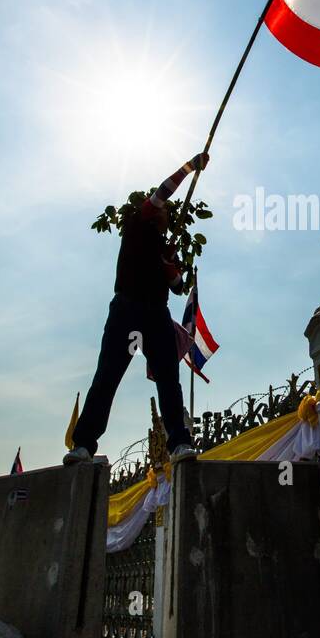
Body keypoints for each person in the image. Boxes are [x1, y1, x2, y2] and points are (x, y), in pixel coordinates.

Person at [65, 152, 209, 468]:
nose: (166, 213)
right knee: (107, 376)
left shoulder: (162, 246)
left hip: (156, 314)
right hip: (127, 311)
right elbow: (163, 192)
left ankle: (179, 443)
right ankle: (83, 444)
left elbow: (177, 287)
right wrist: (189, 166)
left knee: (169, 379)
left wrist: (170, 263)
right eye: (164, 211)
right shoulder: (137, 224)